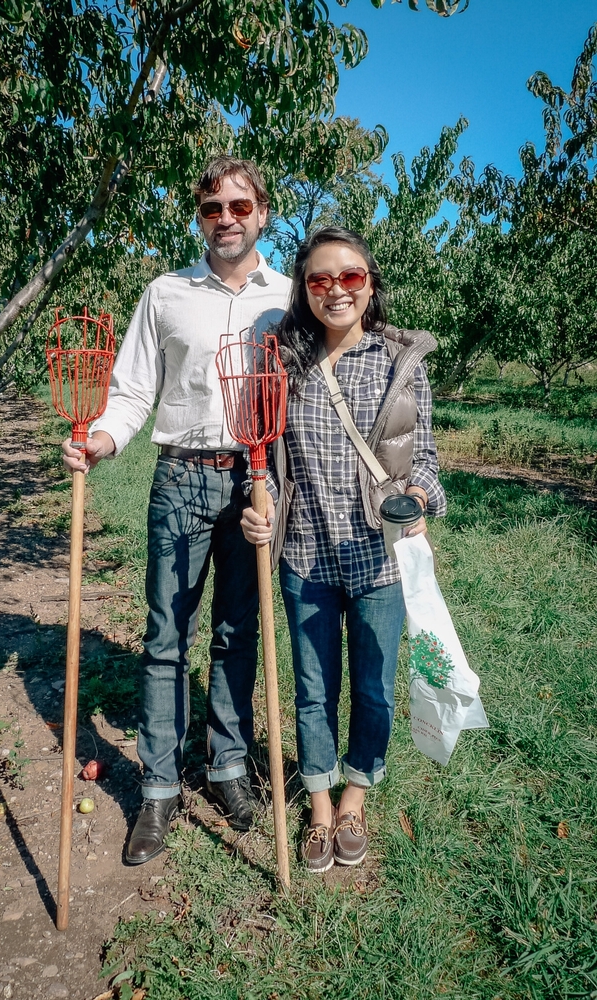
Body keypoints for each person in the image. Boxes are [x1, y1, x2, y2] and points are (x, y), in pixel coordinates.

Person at [62, 157, 291, 864]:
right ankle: (158, 787)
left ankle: (226, 767)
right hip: (182, 480)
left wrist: (281, 487)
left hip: (255, 481)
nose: (225, 217)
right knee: (166, 638)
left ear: (262, 214)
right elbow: (132, 389)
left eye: (238, 205)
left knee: (236, 632)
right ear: (199, 218)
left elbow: (305, 399)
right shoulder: (166, 293)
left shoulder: (287, 297)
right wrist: (101, 437)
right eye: (211, 207)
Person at [241, 227, 446, 872]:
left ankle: (357, 796)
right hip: (305, 555)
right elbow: (267, 456)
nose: (336, 291)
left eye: (350, 277)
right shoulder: (284, 361)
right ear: (304, 290)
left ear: (370, 285)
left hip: (378, 558)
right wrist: (262, 505)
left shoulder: (399, 363)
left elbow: (428, 461)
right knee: (312, 686)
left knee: (374, 688)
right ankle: (321, 805)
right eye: (320, 279)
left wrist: (417, 495)